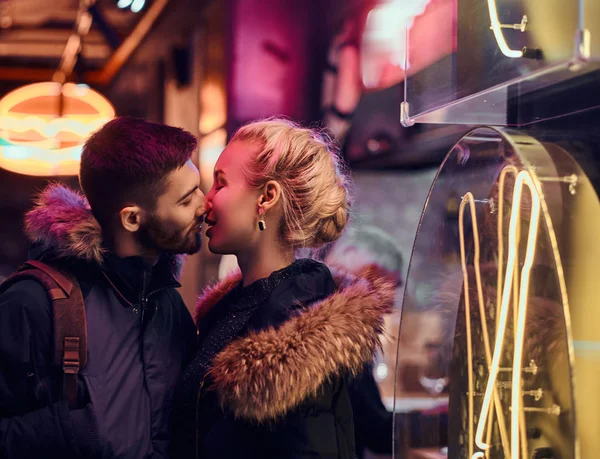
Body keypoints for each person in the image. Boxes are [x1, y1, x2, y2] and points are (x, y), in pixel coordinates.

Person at [169, 118, 395, 458]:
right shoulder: (230, 307)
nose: (206, 200)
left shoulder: (297, 321)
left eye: (220, 184)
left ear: (267, 197)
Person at [0, 117, 205, 458]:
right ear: (132, 219)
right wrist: (67, 430)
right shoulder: (33, 302)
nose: (204, 204)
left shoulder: (165, 299)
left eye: (198, 187)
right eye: (185, 201)